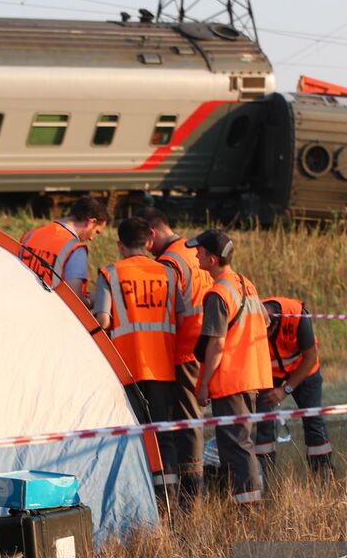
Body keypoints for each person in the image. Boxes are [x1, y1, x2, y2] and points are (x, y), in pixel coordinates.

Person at [93, 217, 178, 491]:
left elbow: (103, 320)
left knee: (135, 436)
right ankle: (169, 500)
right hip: (164, 366)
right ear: (149, 241)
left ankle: (142, 495)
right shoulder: (168, 274)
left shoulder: (110, 274)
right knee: (163, 437)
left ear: (120, 245)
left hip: (126, 368)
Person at [189, 229, 271, 506]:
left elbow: (217, 345)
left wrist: (202, 385)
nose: (196, 254)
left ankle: (248, 510)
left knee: (236, 448)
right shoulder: (246, 284)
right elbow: (265, 322)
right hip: (252, 376)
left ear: (212, 259)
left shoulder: (217, 294)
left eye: (199, 251)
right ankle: (248, 503)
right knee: (242, 445)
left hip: (231, 381)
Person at [140, 207, 212, 500]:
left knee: (188, 422)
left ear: (152, 234)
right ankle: (193, 484)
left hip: (184, 350)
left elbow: (167, 309)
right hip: (204, 345)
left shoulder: (169, 263)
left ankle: (192, 490)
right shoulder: (192, 251)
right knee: (193, 419)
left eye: (147, 242)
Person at [255, 296, 333, 478]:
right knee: (262, 421)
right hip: (269, 373)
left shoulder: (296, 315)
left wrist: (285, 390)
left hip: (304, 369)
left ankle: (323, 475)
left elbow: (310, 357)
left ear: (273, 324)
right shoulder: (253, 320)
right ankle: (264, 478)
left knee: (313, 419)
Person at [18, 196, 109, 302]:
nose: (92, 238)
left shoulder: (30, 235)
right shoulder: (75, 250)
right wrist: (92, 301)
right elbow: (74, 300)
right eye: (96, 232)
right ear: (91, 222)